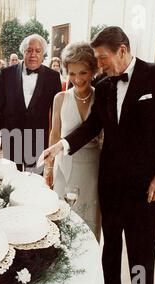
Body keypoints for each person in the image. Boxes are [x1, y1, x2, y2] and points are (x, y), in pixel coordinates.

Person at [39, 26, 155, 284]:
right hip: (111, 186)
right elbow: (91, 126)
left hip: (147, 190)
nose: (99, 65)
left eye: (102, 58)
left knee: (140, 254)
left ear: (123, 50)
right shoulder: (104, 87)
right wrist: (61, 145)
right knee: (111, 249)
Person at [45, 42, 101, 240]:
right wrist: (49, 168)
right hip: (65, 166)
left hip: (93, 168)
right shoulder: (60, 98)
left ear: (93, 71)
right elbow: (54, 135)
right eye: (72, 73)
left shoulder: (102, 97)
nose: (77, 79)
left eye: (83, 73)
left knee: (89, 222)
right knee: (64, 221)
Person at [0, 34, 62, 171]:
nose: (33, 54)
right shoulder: (6, 74)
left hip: (39, 140)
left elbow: (56, 113)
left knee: (35, 185)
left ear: (43, 54)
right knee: (10, 184)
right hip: (11, 138)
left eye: (37, 51)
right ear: (23, 52)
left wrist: (54, 143)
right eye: (29, 50)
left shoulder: (53, 77)